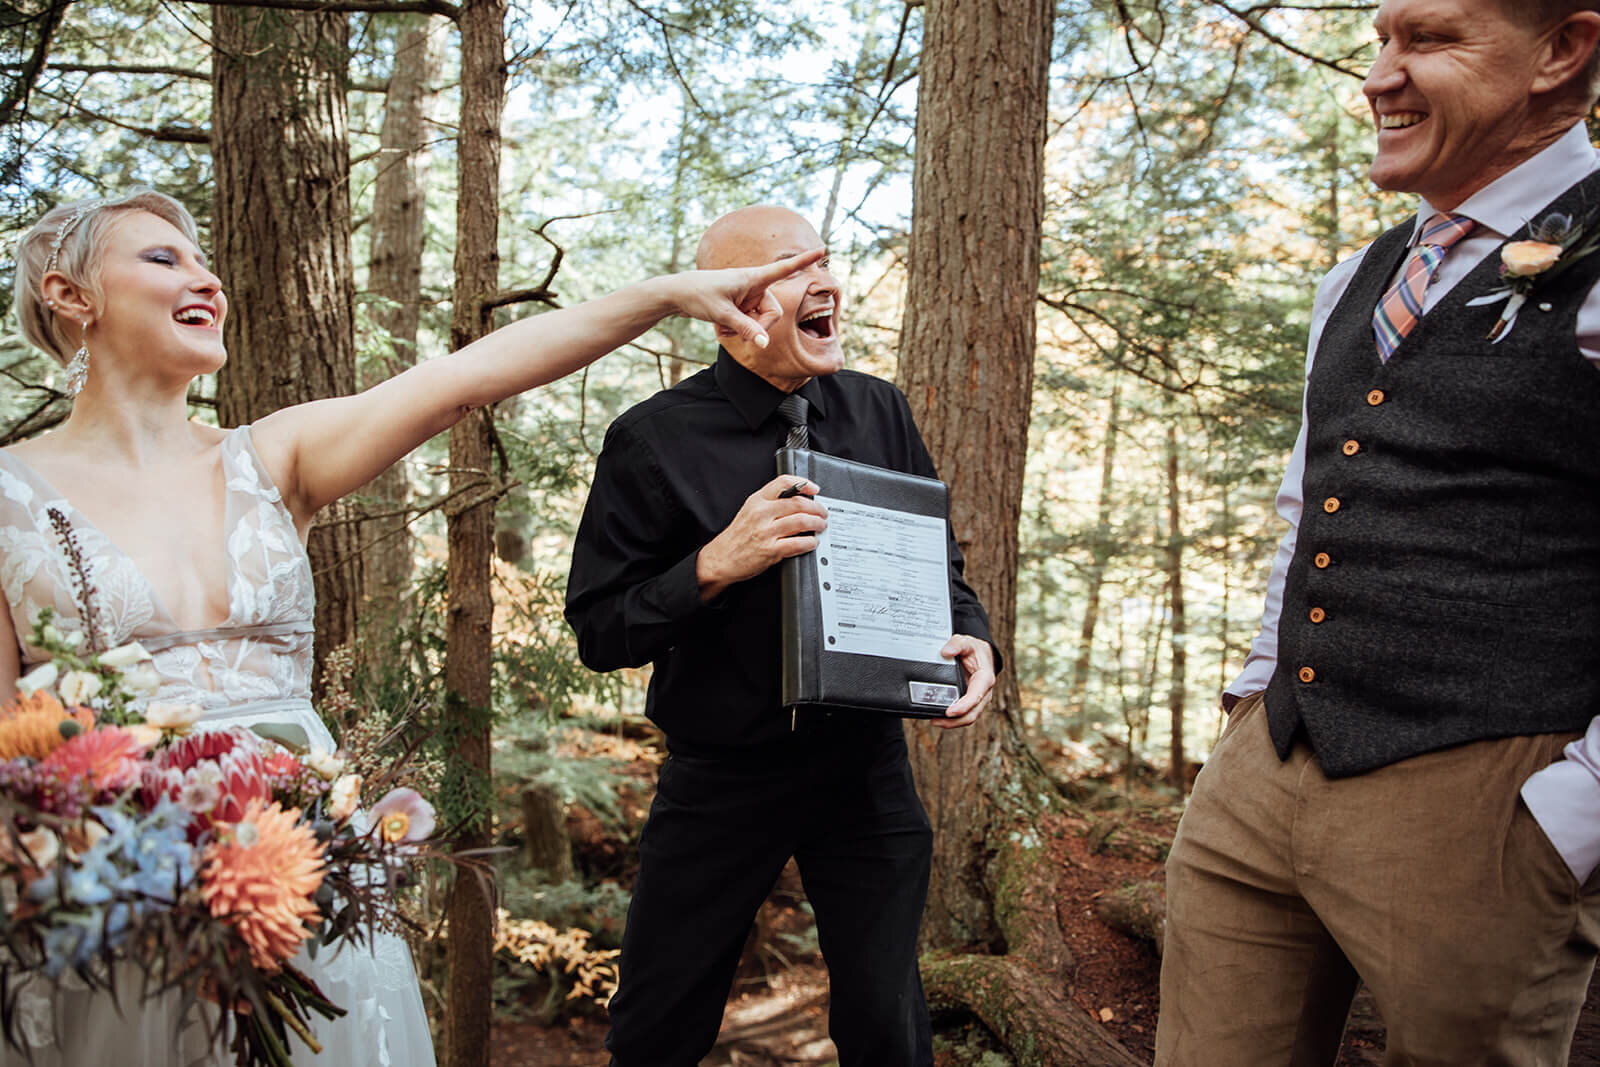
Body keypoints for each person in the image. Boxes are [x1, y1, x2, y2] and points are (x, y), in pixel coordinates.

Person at [0, 189, 821, 1066]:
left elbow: (471, 377)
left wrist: (668, 294)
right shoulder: (8, 491)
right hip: (108, 899)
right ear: (70, 294)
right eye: (163, 259)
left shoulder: (271, 458)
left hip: (306, 883)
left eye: (205, 260)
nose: (207, 279)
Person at [1156, 1, 1600, 1063]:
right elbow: (1305, 504)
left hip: (1490, 791)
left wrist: (1575, 813)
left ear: (1562, 50)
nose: (1377, 77)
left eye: (1429, 41)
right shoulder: (1356, 275)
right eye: (1378, 42)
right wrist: (1252, 698)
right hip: (1263, 770)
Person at [564, 204, 999, 1067]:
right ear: (729, 308)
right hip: (721, 778)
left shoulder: (880, 410)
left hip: (865, 772)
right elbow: (599, 628)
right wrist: (712, 565)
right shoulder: (651, 441)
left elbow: (938, 569)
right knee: (657, 1026)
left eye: (825, 263)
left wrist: (972, 638)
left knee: (888, 1026)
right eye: (792, 270)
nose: (826, 282)